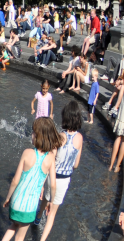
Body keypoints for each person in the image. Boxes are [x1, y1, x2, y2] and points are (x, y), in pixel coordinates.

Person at [0, 117, 63, 241]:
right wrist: (50, 201)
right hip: (29, 207)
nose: (32, 135)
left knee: (13, 226)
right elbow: (53, 185)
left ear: (39, 136)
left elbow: (15, 181)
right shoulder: (50, 158)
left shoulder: (27, 152)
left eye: (34, 132)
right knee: (20, 237)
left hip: (16, 201)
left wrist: (8, 197)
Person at [36, 102, 82, 239]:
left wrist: (42, 183)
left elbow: (51, 159)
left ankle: (37, 218)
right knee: (53, 212)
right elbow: (76, 165)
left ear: (65, 117)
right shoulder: (80, 138)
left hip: (52, 176)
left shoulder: (60, 136)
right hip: (65, 180)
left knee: (46, 197)